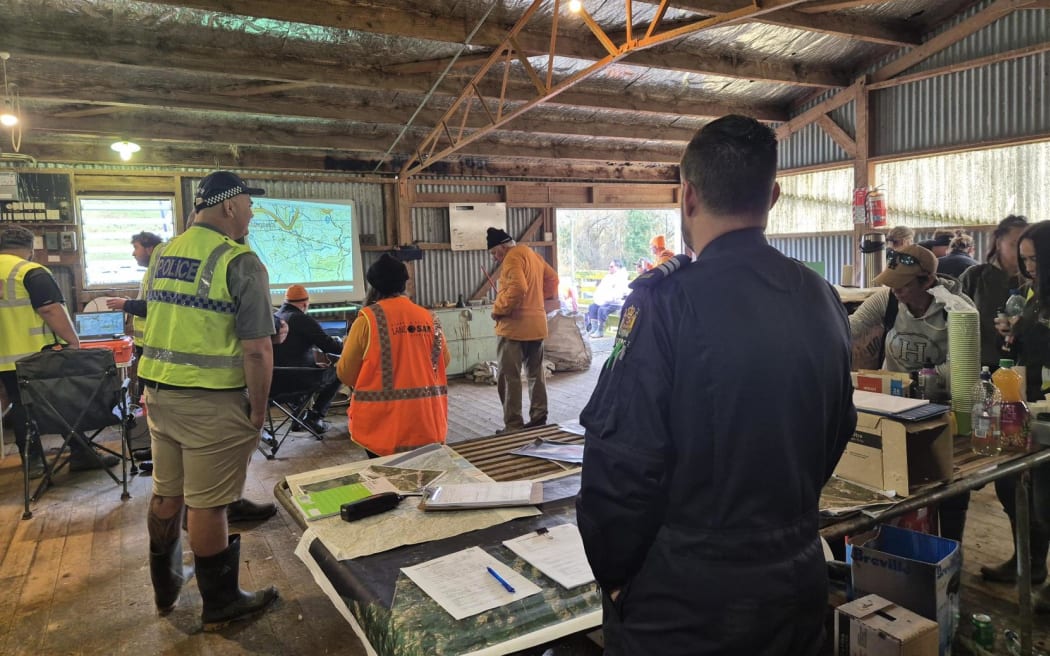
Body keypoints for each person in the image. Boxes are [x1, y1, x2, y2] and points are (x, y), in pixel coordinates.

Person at [576, 115, 856, 655]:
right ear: (772, 197)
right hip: (797, 581)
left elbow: (621, 461)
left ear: (687, 197)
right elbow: (839, 427)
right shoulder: (820, 297)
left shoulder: (665, 303)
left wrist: (615, 576)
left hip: (686, 604)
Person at [138, 171, 278, 629]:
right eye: (249, 205)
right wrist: (258, 412)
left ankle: (166, 589)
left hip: (158, 394)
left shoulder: (161, 253)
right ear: (230, 207)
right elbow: (257, 348)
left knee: (167, 492)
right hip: (210, 401)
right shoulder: (239, 261)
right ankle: (220, 602)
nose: (253, 213)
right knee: (207, 504)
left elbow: (154, 319)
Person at [848, 244, 975, 542]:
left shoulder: (958, 308)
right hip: (892, 408)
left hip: (943, 410)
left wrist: (910, 380)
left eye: (902, 286)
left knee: (950, 483)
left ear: (927, 281)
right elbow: (852, 327)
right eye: (891, 284)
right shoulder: (887, 301)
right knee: (896, 483)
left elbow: (961, 365)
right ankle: (896, 545)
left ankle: (951, 547)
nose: (895, 291)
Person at [0, 225, 119, 477]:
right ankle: (77, 454)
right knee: (60, 404)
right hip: (32, 355)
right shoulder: (29, 271)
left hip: (4, 356)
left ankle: (39, 460)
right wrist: (73, 342)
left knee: (20, 406)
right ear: (30, 249)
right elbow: (50, 309)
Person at [982, 220, 1050, 610]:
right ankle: (1029, 564)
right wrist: (1008, 330)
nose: (1030, 268)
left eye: (1036, 259)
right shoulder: (1030, 294)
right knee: (1020, 488)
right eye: (1025, 260)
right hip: (1027, 399)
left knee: (1046, 498)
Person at [336, 254, 450, 457]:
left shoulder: (367, 320)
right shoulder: (430, 318)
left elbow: (346, 374)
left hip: (382, 430)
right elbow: (444, 361)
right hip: (427, 422)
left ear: (373, 286)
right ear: (404, 283)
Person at [486, 227, 559, 432]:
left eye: (494, 253)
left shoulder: (512, 257)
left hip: (513, 328)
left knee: (510, 377)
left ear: (503, 247)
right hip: (536, 326)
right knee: (536, 373)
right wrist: (537, 303)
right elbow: (553, 279)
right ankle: (538, 417)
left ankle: (513, 425)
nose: (494, 258)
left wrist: (499, 309)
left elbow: (518, 288)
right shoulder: (532, 255)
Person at [959, 215, 1028, 369]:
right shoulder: (975, 276)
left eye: (1026, 245)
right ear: (998, 243)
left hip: (1023, 367)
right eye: (1014, 244)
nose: (1021, 251)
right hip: (978, 364)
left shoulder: (1035, 282)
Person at [274, 283, 343, 434]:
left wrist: (311, 363)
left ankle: (298, 418)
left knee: (321, 369)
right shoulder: (302, 319)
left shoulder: (277, 316)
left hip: (274, 382)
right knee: (340, 372)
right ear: (305, 304)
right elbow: (329, 346)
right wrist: (348, 344)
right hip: (297, 381)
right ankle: (315, 416)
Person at [106, 231, 164, 355]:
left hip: (153, 342)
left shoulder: (159, 273)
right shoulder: (151, 271)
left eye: (136, 248)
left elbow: (152, 307)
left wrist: (125, 304)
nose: (133, 253)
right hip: (145, 341)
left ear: (149, 249)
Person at [585, 259, 629, 337]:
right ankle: (594, 328)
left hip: (616, 303)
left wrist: (606, 299)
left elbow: (618, 294)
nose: (609, 268)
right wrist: (599, 298)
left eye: (611, 266)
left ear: (617, 267)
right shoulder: (608, 277)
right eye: (609, 266)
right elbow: (601, 289)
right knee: (592, 307)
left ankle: (600, 330)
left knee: (602, 309)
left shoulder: (621, 277)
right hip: (605, 301)